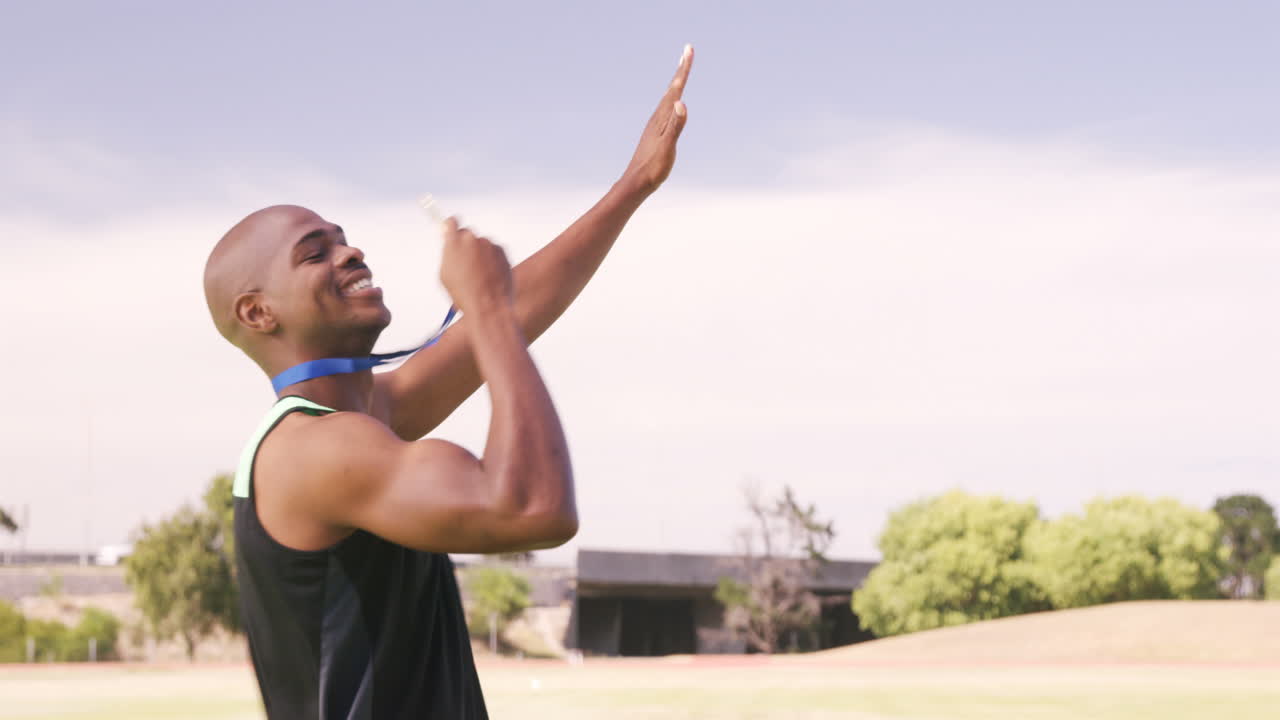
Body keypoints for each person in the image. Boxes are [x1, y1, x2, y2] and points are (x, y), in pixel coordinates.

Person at [200, 46, 694, 719]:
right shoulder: (316, 452)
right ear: (258, 313)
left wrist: (632, 184)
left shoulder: (363, 421)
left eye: (343, 238)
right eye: (315, 252)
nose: (350, 251)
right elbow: (534, 508)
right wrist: (486, 307)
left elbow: (520, 307)